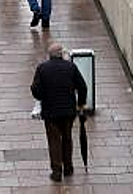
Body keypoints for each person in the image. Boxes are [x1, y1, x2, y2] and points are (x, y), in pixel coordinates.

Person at [31, 42, 88, 182]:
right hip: (68, 111)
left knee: (54, 140)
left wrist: (43, 96)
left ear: (49, 56)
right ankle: (68, 168)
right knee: (67, 138)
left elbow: (36, 91)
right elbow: (83, 87)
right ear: (61, 54)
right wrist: (80, 104)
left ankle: (56, 171)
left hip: (50, 112)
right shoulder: (71, 67)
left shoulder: (42, 69)